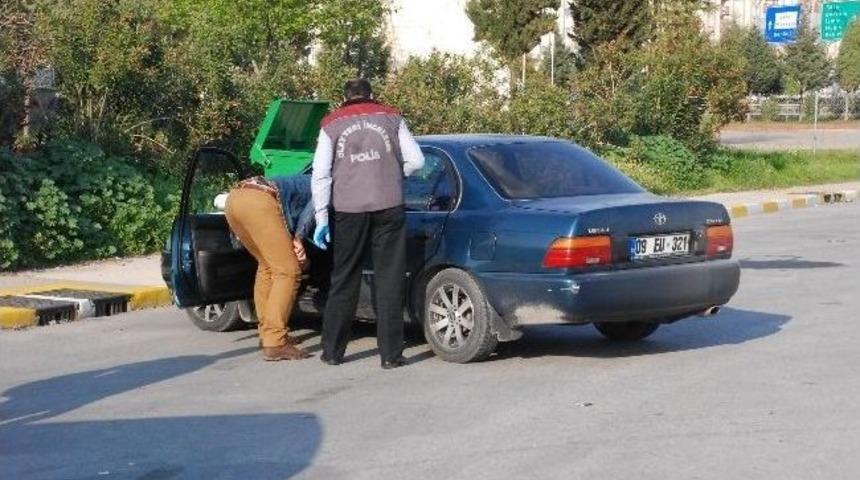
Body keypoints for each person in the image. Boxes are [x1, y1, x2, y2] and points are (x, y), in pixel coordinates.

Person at [311, 78, 425, 369]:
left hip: (348, 210)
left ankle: (333, 352)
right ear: (371, 95)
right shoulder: (391, 116)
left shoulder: (331, 123)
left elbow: (321, 174)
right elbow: (418, 161)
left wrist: (321, 217)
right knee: (390, 278)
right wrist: (395, 173)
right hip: (389, 205)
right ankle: (391, 355)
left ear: (345, 97)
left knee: (344, 277)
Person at [224, 174, 315, 361]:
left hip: (235, 198)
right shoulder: (328, 182)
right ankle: (275, 342)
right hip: (259, 202)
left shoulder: (307, 174)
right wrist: (299, 238)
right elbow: (313, 208)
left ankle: (267, 333)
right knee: (288, 271)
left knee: (267, 266)